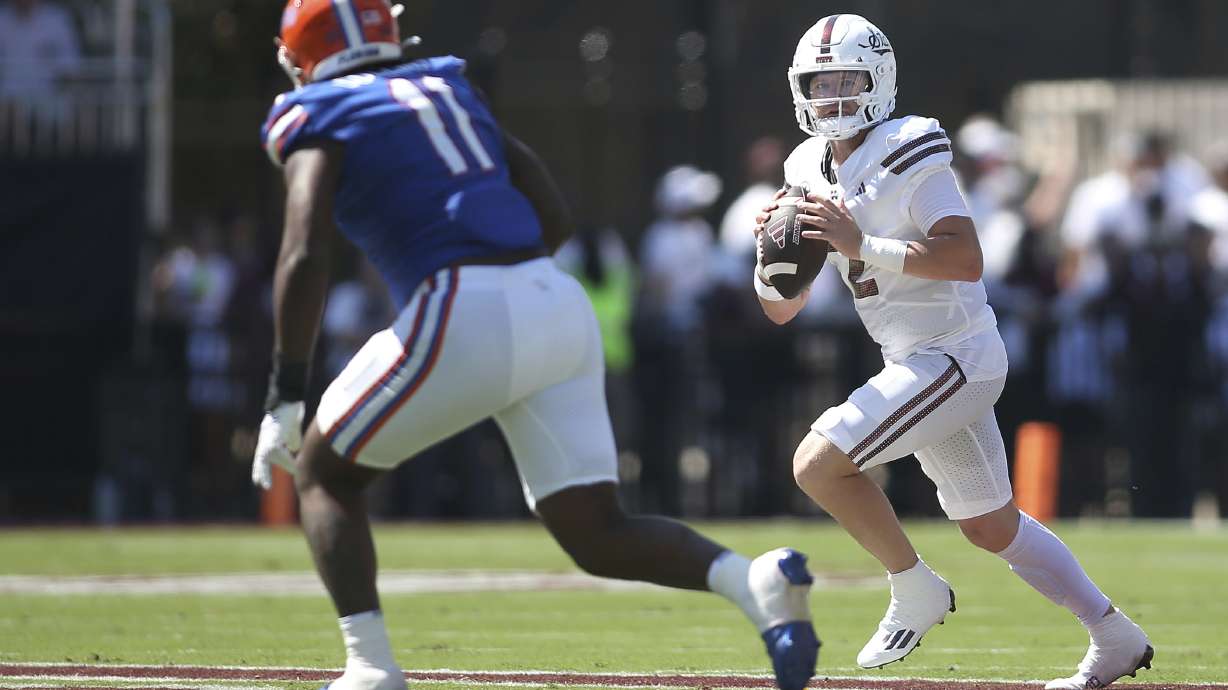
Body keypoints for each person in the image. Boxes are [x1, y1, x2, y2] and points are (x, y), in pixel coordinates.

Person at [249, 3, 818, 690]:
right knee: (595, 530)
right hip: (552, 299)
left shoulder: (322, 111)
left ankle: (370, 668)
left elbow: (304, 251)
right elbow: (552, 211)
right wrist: (508, 288)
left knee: (324, 475)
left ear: (303, 54)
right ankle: (753, 584)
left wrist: (285, 390)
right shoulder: (449, 87)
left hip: (461, 301)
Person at [750, 14, 1152, 689]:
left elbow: (966, 258)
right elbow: (780, 309)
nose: (834, 95)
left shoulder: (907, 143)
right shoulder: (803, 166)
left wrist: (860, 244)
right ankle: (1113, 633)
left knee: (818, 464)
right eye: (821, 82)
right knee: (991, 526)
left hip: (954, 353)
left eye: (848, 79)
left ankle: (914, 586)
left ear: (878, 79)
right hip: (913, 359)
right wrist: (771, 255)